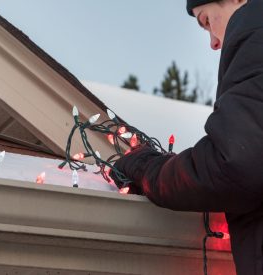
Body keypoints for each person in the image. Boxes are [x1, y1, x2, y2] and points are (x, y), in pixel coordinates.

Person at [110, 0, 263, 274]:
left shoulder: (256, 33)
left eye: (206, 21)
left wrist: (146, 167)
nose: (214, 43)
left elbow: (234, 164)